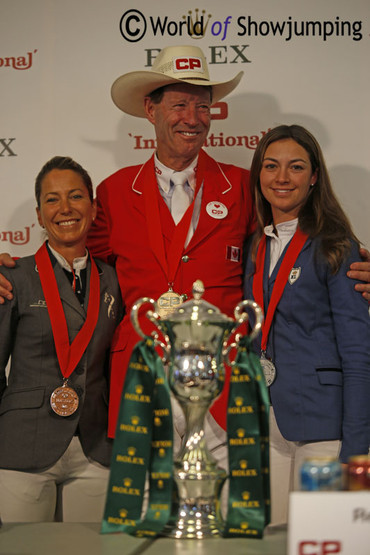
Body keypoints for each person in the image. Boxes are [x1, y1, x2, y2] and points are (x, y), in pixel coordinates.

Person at [0, 45, 369, 440]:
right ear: (150, 110)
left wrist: (349, 264)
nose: (192, 119)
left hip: (223, 390)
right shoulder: (114, 192)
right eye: (179, 105)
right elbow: (74, 260)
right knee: (147, 504)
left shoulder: (244, 188)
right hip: (140, 384)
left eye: (203, 107)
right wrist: (16, 273)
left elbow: (289, 250)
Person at [243, 124, 370, 525]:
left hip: (325, 430)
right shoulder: (256, 246)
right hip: (270, 426)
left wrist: (357, 451)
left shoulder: (337, 245)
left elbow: (358, 355)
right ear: (258, 175)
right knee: (273, 541)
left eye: (295, 167)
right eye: (271, 166)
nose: (282, 178)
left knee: (321, 543)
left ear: (314, 177)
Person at [0, 156, 122, 523]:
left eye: (75, 196)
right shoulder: (12, 277)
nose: (65, 208)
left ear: (94, 207)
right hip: (23, 445)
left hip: (96, 446)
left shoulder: (115, 279)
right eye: (52, 200)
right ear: (38, 214)